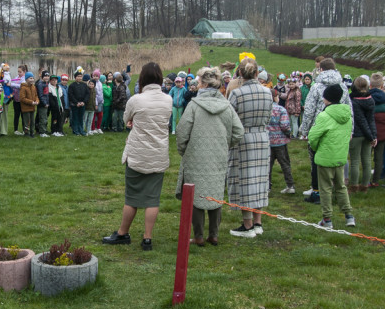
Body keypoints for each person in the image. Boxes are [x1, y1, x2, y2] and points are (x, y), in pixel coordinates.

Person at [102, 62, 172, 251]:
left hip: (138, 154)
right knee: (152, 199)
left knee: (132, 197)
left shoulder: (136, 100)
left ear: (142, 78)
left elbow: (126, 120)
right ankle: (147, 238)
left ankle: (123, 233)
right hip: (158, 153)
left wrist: (134, 120)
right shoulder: (168, 100)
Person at [176, 67, 245, 246]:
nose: (197, 85)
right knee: (215, 194)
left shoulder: (193, 105)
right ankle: (214, 234)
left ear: (205, 84)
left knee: (196, 195)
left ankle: (199, 236)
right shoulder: (227, 106)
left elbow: (182, 132)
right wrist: (224, 145)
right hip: (218, 157)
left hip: (195, 157)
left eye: (198, 82)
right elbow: (238, 132)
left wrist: (184, 150)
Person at [226, 59, 274, 238]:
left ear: (239, 74)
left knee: (244, 181)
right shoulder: (268, 93)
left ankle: (247, 226)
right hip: (262, 137)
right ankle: (258, 222)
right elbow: (268, 116)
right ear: (256, 74)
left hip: (242, 138)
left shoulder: (237, 94)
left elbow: (230, 119)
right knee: (259, 180)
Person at [299, 58, 350, 202]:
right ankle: (336, 187)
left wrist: (305, 130)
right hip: (339, 128)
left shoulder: (316, 86)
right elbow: (348, 108)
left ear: (321, 69)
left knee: (317, 160)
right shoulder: (343, 86)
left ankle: (317, 191)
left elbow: (309, 109)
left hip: (320, 126)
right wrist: (350, 129)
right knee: (336, 157)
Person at [307, 84, 355, 229]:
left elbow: (313, 136)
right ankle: (349, 216)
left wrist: (316, 148)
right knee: (341, 186)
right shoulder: (348, 115)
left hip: (326, 156)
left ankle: (327, 219)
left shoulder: (324, 115)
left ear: (327, 98)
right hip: (340, 156)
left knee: (326, 188)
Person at [348, 76, 376, 192]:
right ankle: (364, 185)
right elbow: (371, 120)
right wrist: (373, 135)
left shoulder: (354, 102)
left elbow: (362, 120)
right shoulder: (371, 100)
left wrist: (371, 136)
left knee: (354, 161)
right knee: (367, 160)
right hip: (368, 133)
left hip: (357, 134)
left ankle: (354, 185)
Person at [268, 90, 295, 194]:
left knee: (268, 165)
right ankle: (290, 185)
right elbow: (285, 125)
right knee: (285, 164)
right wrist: (289, 133)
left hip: (268, 141)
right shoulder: (281, 109)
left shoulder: (264, 109)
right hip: (280, 142)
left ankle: (267, 186)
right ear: (275, 98)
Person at [368, 73, 385, 187]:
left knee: (366, 156)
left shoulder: (367, 97)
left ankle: (365, 180)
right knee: (379, 157)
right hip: (382, 131)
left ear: (370, 85)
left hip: (369, 132)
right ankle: (376, 180)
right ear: (382, 86)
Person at [67, 71, 90, 136]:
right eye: (78, 76)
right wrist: (76, 102)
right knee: (75, 117)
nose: (79, 78)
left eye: (80, 76)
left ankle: (81, 130)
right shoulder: (72, 85)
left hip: (82, 104)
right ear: (75, 77)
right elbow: (71, 95)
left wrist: (84, 102)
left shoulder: (84, 85)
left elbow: (87, 94)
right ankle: (75, 130)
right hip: (75, 104)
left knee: (81, 118)